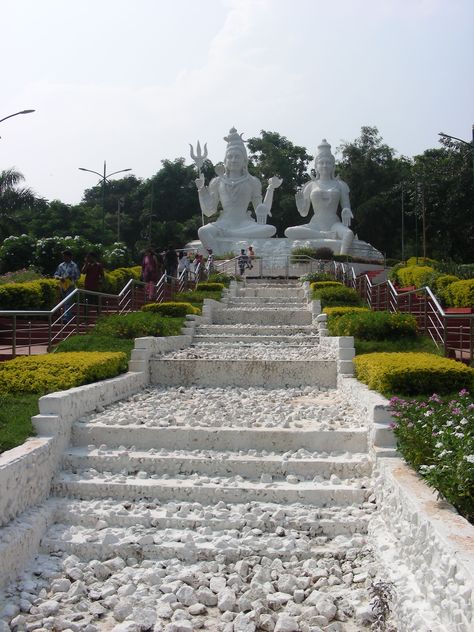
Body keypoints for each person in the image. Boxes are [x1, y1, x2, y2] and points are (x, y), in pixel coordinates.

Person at [196, 127, 282, 254]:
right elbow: (209, 211)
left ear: (244, 160)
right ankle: (217, 257)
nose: (234, 160)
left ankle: (230, 235)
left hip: (245, 224)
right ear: (225, 160)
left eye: (237, 157)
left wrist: (271, 189)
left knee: (270, 229)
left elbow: (261, 210)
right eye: (230, 157)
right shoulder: (217, 181)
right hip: (223, 223)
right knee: (202, 231)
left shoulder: (252, 181)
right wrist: (201, 191)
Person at [284, 139, 355, 255]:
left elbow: (346, 205)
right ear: (316, 166)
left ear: (333, 166)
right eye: (321, 163)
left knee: (348, 234)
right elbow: (304, 213)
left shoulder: (340, 185)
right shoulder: (310, 186)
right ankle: (324, 235)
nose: (325, 165)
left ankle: (342, 257)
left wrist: (346, 210)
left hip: (334, 224)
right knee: (289, 231)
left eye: (328, 163)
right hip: (316, 224)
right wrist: (300, 206)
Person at [54, 249, 80, 323]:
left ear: (70, 257)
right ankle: (69, 316)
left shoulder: (74, 265)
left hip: (70, 286)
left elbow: (78, 276)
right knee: (65, 302)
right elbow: (56, 274)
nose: (64, 258)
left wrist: (70, 277)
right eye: (63, 256)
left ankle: (66, 318)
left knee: (68, 301)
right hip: (62, 286)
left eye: (65, 256)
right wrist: (59, 278)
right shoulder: (61, 265)